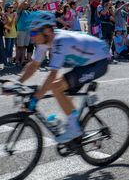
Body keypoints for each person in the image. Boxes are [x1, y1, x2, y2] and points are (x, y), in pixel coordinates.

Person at [18, 12, 110, 143]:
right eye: (30, 33)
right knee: (61, 89)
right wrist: (17, 82)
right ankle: (73, 125)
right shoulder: (45, 40)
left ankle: (74, 129)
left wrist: (34, 100)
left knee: (56, 86)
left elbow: (52, 76)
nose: (31, 37)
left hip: (99, 61)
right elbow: (34, 65)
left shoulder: (60, 42)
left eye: (33, 33)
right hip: (85, 62)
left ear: (48, 31)